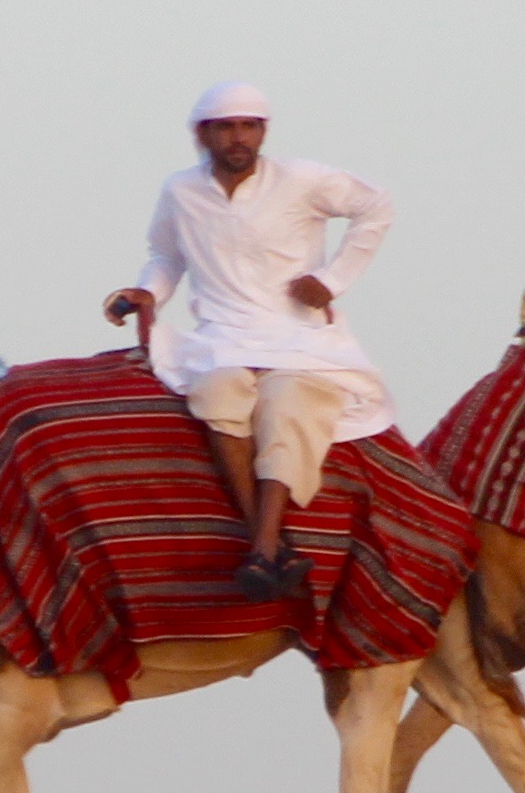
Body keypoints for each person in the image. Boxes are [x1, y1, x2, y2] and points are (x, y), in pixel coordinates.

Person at [104, 82, 397, 597]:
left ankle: (261, 549)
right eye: (226, 127)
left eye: (248, 126)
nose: (238, 138)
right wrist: (145, 294)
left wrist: (331, 281)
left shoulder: (302, 180)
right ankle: (269, 547)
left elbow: (375, 206)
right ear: (204, 135)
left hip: (299, 338)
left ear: (263, 132)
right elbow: (166, 256)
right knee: (218, 397)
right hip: (222, 335)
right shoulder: (181, 191)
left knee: (286, 407)